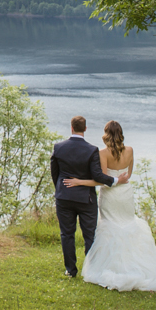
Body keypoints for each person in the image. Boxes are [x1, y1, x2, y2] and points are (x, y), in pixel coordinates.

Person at [62, 120, 156, 292]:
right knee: (128, 225)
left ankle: (111, 267)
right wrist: (119, 180)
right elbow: (128, 175)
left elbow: (103, 181)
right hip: (126, 194)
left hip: (111, 196)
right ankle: (134, 265)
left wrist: (79, 182)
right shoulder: (130, 151)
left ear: (106, 135)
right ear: (121, 134)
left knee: (111, 227)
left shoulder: (103, 153)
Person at [49, 115, 124, 278]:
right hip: (85, 199)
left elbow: (54, 173)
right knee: (90, 234)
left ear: (71, 128)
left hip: (64, 197)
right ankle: (92, 270)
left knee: (66, 234)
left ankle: (70, 270)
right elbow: (98, 176)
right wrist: (117, 180)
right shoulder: (91, 150)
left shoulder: (58, 147)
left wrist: (61, 188)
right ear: (85, 129)